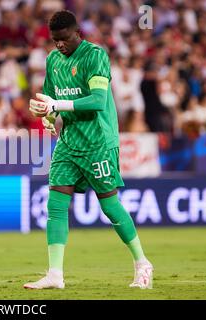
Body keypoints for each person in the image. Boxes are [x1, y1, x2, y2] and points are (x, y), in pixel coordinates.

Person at [24, 10, 153, 290]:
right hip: (69, 143)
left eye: (63, 39)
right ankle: (55, 275)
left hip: (98, 143)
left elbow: (97, 100)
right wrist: (45, 116)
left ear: (77, 33)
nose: (59, 44)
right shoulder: (53, 61)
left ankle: (142, 262)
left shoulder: (95, 56)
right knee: (56, 205)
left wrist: (56, 107)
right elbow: (50, 100)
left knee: (109, 206)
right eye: (54, 40)